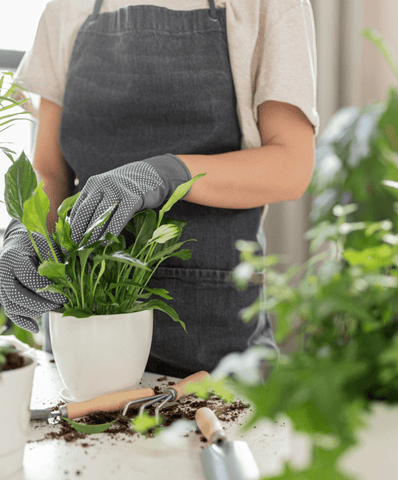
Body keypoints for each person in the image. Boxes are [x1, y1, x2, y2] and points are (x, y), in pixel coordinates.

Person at [0, 0, 319, 377]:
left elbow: (291, 166)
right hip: (83, 343)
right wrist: (25, 231)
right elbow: (50, 171)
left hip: (213, 345)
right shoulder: (70, 6)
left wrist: (170, 174)